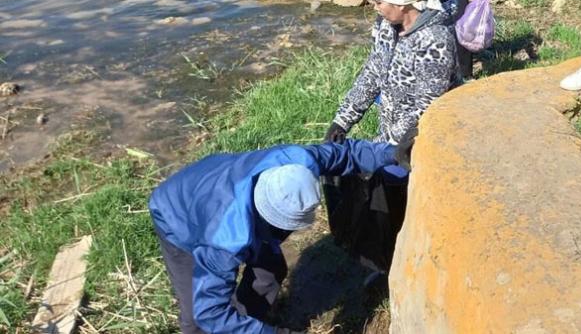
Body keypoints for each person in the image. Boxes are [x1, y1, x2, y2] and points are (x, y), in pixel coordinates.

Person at [148, 138, 404, 334]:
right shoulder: (224, 239)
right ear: (262, 216)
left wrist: (390, 153)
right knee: (196, 318)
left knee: (269, 272)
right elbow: (209, 311)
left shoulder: (298, 163)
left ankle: (246, 320)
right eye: (280, 228)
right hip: (176, 214)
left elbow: (345, 154)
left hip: (216, 176)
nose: (285, 235)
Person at [323, 0, 458, 274]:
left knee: (403, 197)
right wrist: (343, 120)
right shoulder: (386, 26)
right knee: (384, 196)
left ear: (401, 3)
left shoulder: (434, 39)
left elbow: (430, 101)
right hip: (391, 130)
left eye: (379, 2)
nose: (374, 6)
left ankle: (406, 261)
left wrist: (391, 143)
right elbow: (371, 73)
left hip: (419, 137)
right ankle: (386, 261)